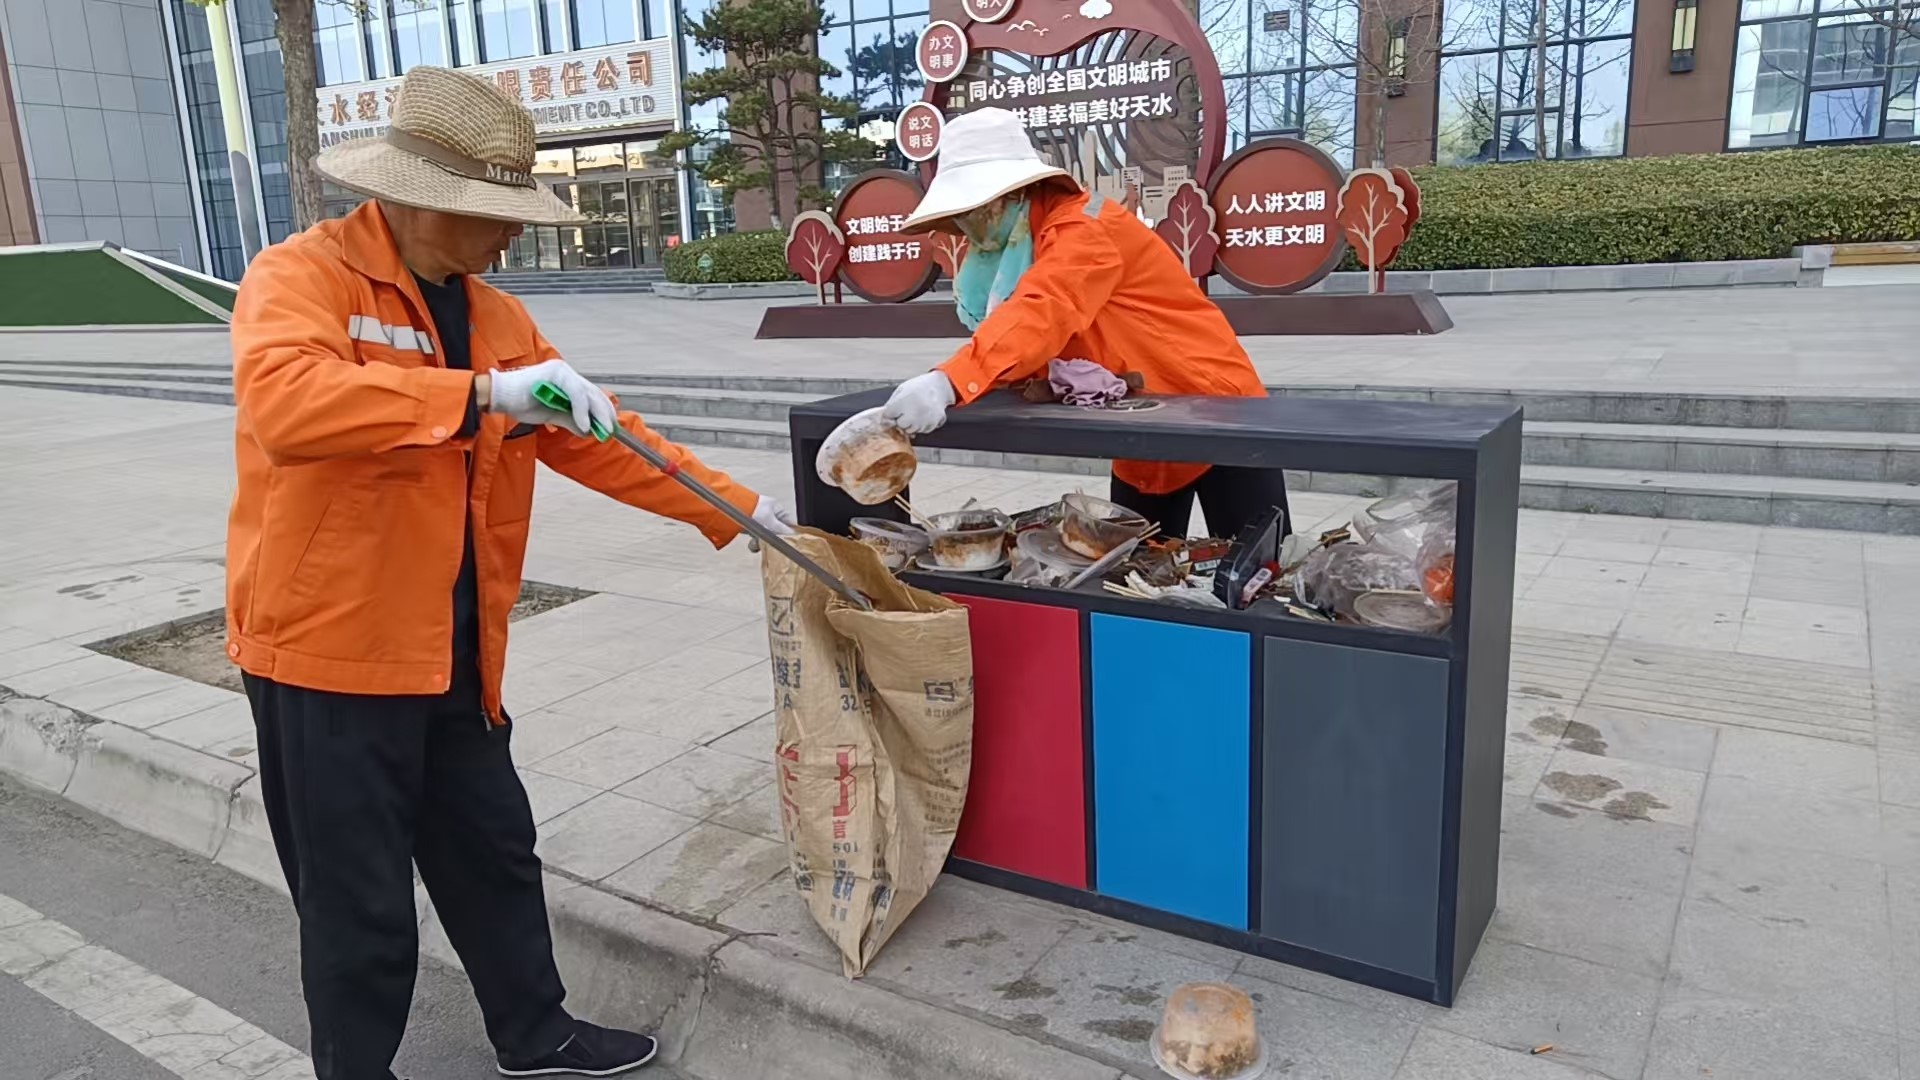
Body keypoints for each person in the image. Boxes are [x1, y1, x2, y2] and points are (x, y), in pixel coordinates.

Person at [225, 66, 793, 1080]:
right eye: (496, 215)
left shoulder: (496, 318)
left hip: (454, 649)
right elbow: (288, 406)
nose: (511, 237)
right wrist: (481, 398)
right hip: (330, 655)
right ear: (421, 199)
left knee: (494, 849)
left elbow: (604, 438)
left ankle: (535, 1032)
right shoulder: (303, 277)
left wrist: (737, 509)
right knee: (356, 901)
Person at [882, 107, 1289, 542]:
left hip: (1218, 405)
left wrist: (949, 381)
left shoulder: (1086, 227)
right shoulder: (1024, 246)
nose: (969, 225)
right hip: (1140, 417)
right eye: (963, 214)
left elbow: (1044, 310)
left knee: (1259, 568)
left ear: (1013, 194)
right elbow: (1028, 333)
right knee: (1134, 564)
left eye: (978, 209)